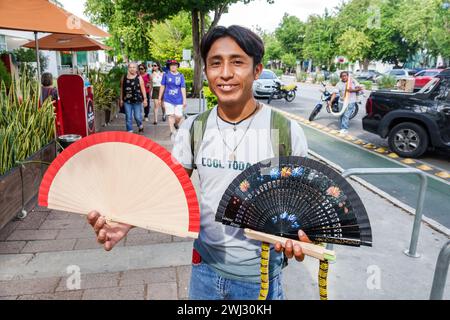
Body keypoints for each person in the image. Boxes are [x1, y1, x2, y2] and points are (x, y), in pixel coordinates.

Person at [87, 25, 310, 300]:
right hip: (204, 270)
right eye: (215, 63)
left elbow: (302, 205)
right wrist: (126, 220)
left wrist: (302, 236)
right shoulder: (194, 128)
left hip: (261, 277)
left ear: (257, 70)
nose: (225, 73)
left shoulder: (286, 131)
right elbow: (168, 185)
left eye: (237, 62)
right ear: (206, 72)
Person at [158, 59, 187, 140]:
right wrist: (160, 98)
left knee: (179, 116)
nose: (173, 66)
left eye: (175, 65)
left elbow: (183, 87)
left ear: (177, 66)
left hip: (179, 99)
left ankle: (176, 124)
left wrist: (184, 99)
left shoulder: (181, 76)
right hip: (168, 99)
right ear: (169, 67)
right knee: (171, 115)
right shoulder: (166, 75)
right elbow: (162, 86)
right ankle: (173, 132)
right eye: (171, 65)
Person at [120, 62, 148, 133]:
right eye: (130, 67)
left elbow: (143, 89)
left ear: (136, 69)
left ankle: (140, 125)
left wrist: (145, 99)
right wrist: (121, 99)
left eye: (134, 67)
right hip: (127, 100)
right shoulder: (124, 77)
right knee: (128, 117)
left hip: (137, 100)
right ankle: (130, 131)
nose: (132, 69)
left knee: (137, 117)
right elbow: (122, 89)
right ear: (128, 68)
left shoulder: (139, 77)